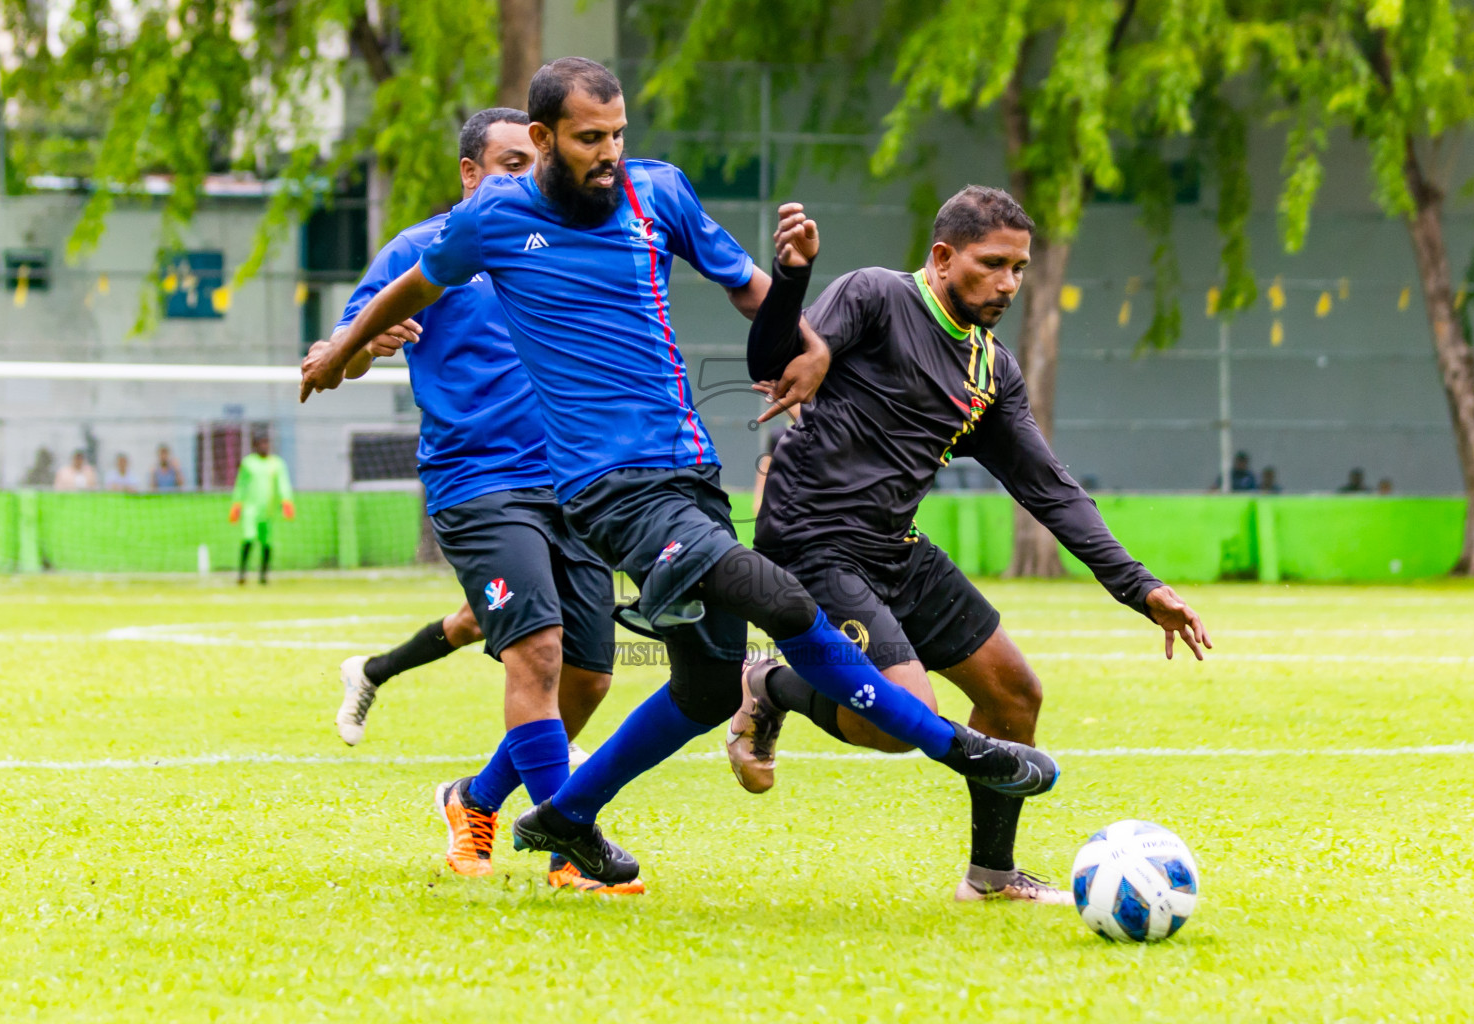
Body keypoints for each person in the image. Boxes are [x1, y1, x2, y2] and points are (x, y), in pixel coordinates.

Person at [302, 58, 1058, 889]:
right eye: (592, 138)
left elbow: (747, 289)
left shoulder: (658, 194)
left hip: (689, 472)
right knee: (780, 597)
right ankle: (962, 748)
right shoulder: (491, 220)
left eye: (620, 134)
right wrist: (341, 350)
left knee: (699, 691)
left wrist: (806, 333)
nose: (611, 152)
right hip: (603, 489)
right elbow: (410, 286)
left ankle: (565, 816)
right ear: (546, 138)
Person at [734, 185, 1210, 904]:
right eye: (993, 264)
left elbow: (1049, 489)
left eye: (1019, 268)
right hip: (810, 539)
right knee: (901, 721)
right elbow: (772, 361)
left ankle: (991, 877)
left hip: (893, 545)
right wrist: (794, 278)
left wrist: (1141, 587)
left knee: (1014, 693)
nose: (1009, 283)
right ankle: (770, 685)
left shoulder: (990, 370)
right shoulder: (874, 297)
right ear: (943, 256)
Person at [314, 107, 618, 889]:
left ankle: (476, 799)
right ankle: (570, 852)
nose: (528, 176)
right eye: (511, 163)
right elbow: (335, 352)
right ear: (470, 174)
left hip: (575, 480)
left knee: (589, 678)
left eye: (536, 162)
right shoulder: (423, 250)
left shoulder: (561, 241)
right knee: (538, 654)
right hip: (479, 482)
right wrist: (363, 345)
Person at [228, 434, 295, 584]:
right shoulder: (248, 463)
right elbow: (241, 485)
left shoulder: (277, 463)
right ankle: (242, 573)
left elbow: (283, 484)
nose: (265, 446)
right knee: (248, 538)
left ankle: (263, 575)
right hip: (250, 510)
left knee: (267, 543)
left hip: (268, 511)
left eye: (267, 443)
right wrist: (236, 504)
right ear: (255, 445)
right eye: (262, 443)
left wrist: (287, 501)